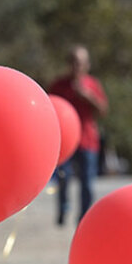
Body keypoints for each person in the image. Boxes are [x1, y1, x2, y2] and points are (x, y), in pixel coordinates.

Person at [49, 45, 108, 227]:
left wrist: (87, 96)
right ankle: (63, 209)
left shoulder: (92, 84)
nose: (77, 66)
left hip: (87, 141)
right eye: (73, 62)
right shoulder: (58, 85)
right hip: (65, 142)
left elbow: (103, 111)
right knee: (63, 177)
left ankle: (84, 218)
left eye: (80, 63)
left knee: (87, 183)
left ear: (87, 65)